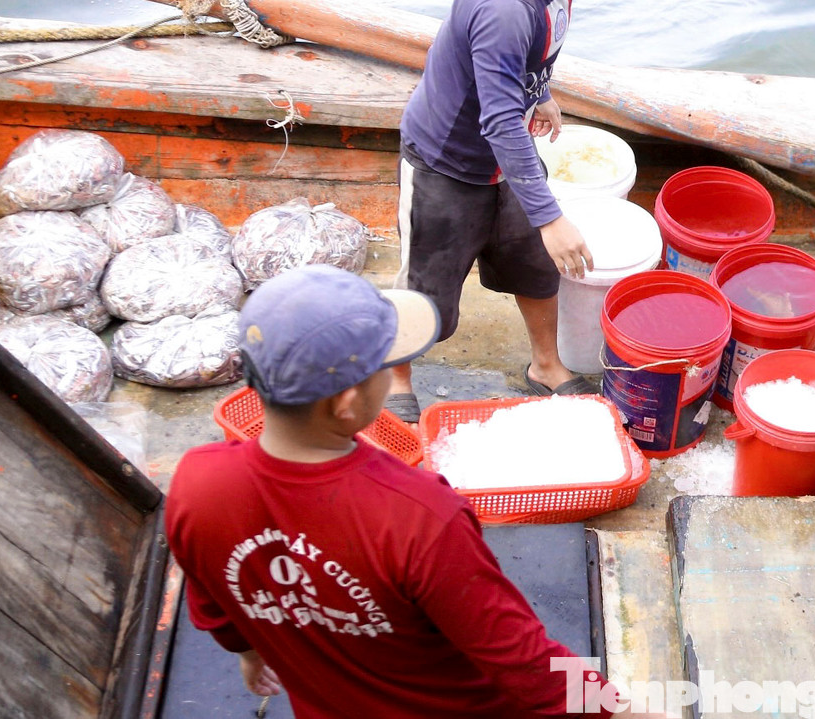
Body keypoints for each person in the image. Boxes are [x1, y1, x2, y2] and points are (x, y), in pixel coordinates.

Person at [165, 264, 666, 718]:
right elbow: (523, 664)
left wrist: (251, 655)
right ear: (346, 402)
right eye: (386, 362)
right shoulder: (419, 515)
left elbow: (215, 600)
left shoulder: (196, 484)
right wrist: (618, 710)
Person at [389, 0, 595, 422]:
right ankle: (397, 375)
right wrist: (552, 216)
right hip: (447, 162)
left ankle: (546, 365)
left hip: (506, 154)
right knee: (427, 288)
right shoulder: (502, 4)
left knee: (534, 262)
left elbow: (529, 59)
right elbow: (499, 118)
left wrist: (542, 92)